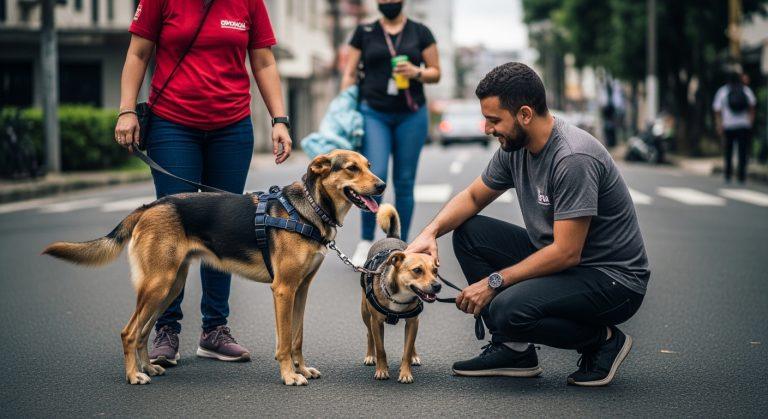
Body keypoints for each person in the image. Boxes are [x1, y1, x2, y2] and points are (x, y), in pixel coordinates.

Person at [407, 63, 650, 387]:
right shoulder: (515, 148)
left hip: (613, 279)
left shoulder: (572, 158)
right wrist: (429, 233)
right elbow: (473, 198)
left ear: (524, 114)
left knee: (505, 309)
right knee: (469, 233)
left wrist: (493, 282)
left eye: (494, 120)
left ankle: (602, 341)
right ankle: (514, 349)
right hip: (563, 262)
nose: (487, 129)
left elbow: (566, 253)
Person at [114, 0, 292, 366]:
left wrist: (279, 119)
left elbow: (264, 61)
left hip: (232, 127)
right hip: (172, 125)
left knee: (223, 225)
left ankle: (215, 329)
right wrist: (127, 109)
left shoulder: (248, 3)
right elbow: (138, 53)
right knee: (173, 228)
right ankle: (166, 329)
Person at [340, 0, 441, 265]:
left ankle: (401, 244)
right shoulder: (365, 32)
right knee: (373, 176)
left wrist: (416, 71)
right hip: (373, 112)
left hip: (411, 114)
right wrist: (343, 108)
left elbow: (436, 73)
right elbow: (350, 73)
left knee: (405, 181)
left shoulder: (420, 32)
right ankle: (365, 240)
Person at [713, 72, 756, 184]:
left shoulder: (723, 91)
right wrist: (750, 122)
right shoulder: (746, 90)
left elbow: (717, 110)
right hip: (743, 125)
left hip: (728, 125)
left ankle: (728, 174)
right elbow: (752, 106)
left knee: (728, 151)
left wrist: (719, 124)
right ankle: (741, 176)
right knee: (743, 151)